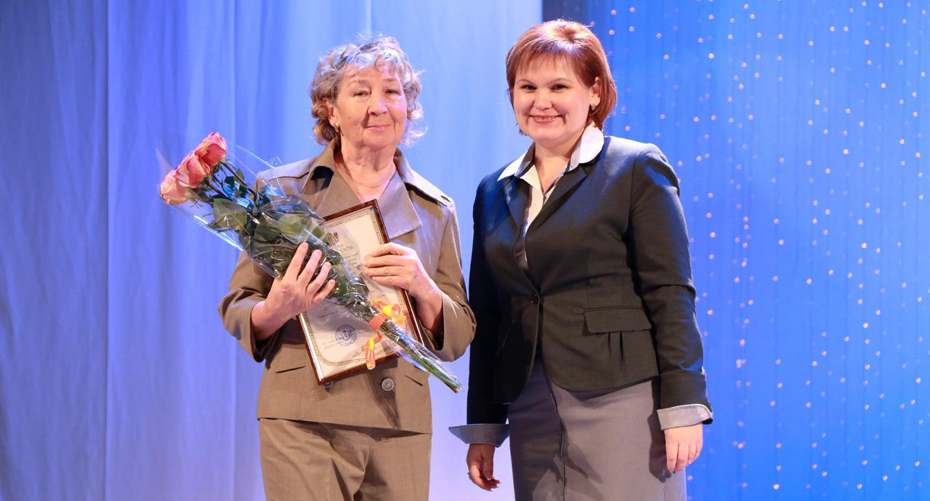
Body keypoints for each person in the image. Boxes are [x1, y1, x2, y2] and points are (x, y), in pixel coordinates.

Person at [453, 20, 713, 500]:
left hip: (621, 396)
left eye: (558, 86)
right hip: (530, 402)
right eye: (527, 87)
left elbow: (671, 292)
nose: (541, 101)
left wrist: (683, 404)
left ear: (594, 92)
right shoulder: (493, 190)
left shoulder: (635, 167)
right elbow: (489, 314)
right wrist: (484, 423)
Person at [219, 36, 475, 501]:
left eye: (392, 92)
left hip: (399, 421)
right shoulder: (282, 191)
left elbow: (458, 334)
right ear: (330, 110)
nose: (379, 105)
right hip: (303, 417)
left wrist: (424, 289)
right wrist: (279, 306)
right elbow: (239, 307)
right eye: (361, 92)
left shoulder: (436, 209)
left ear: (408, 108)